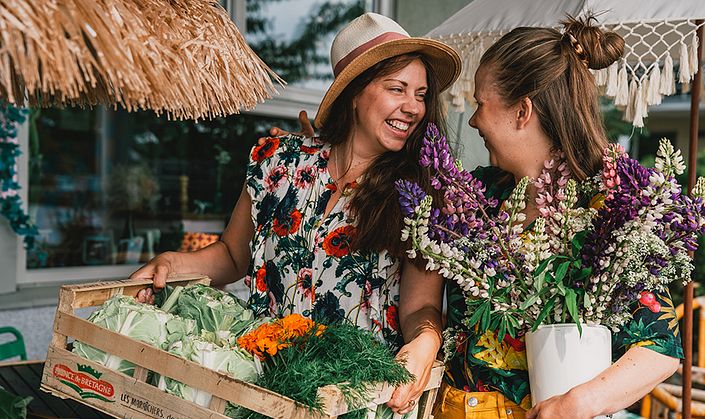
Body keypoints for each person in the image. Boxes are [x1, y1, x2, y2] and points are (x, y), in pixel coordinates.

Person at [130, 12, 460, 417]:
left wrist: (426, 341)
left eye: (422, 94)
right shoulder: (277, 162)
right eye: (397, 89)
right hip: (262, 386)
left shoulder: (421, 191)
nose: (413, 107)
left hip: (356, 398)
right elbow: (233, 256)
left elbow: (419, 307)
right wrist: (172, 262)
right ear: (354, 94)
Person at [434, 16, 681, 419]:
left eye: (481, 103)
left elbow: (661, 349)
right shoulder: (473, 199)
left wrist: (577, 404)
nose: (475, 120)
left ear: (522, 111)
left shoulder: (607, 209)